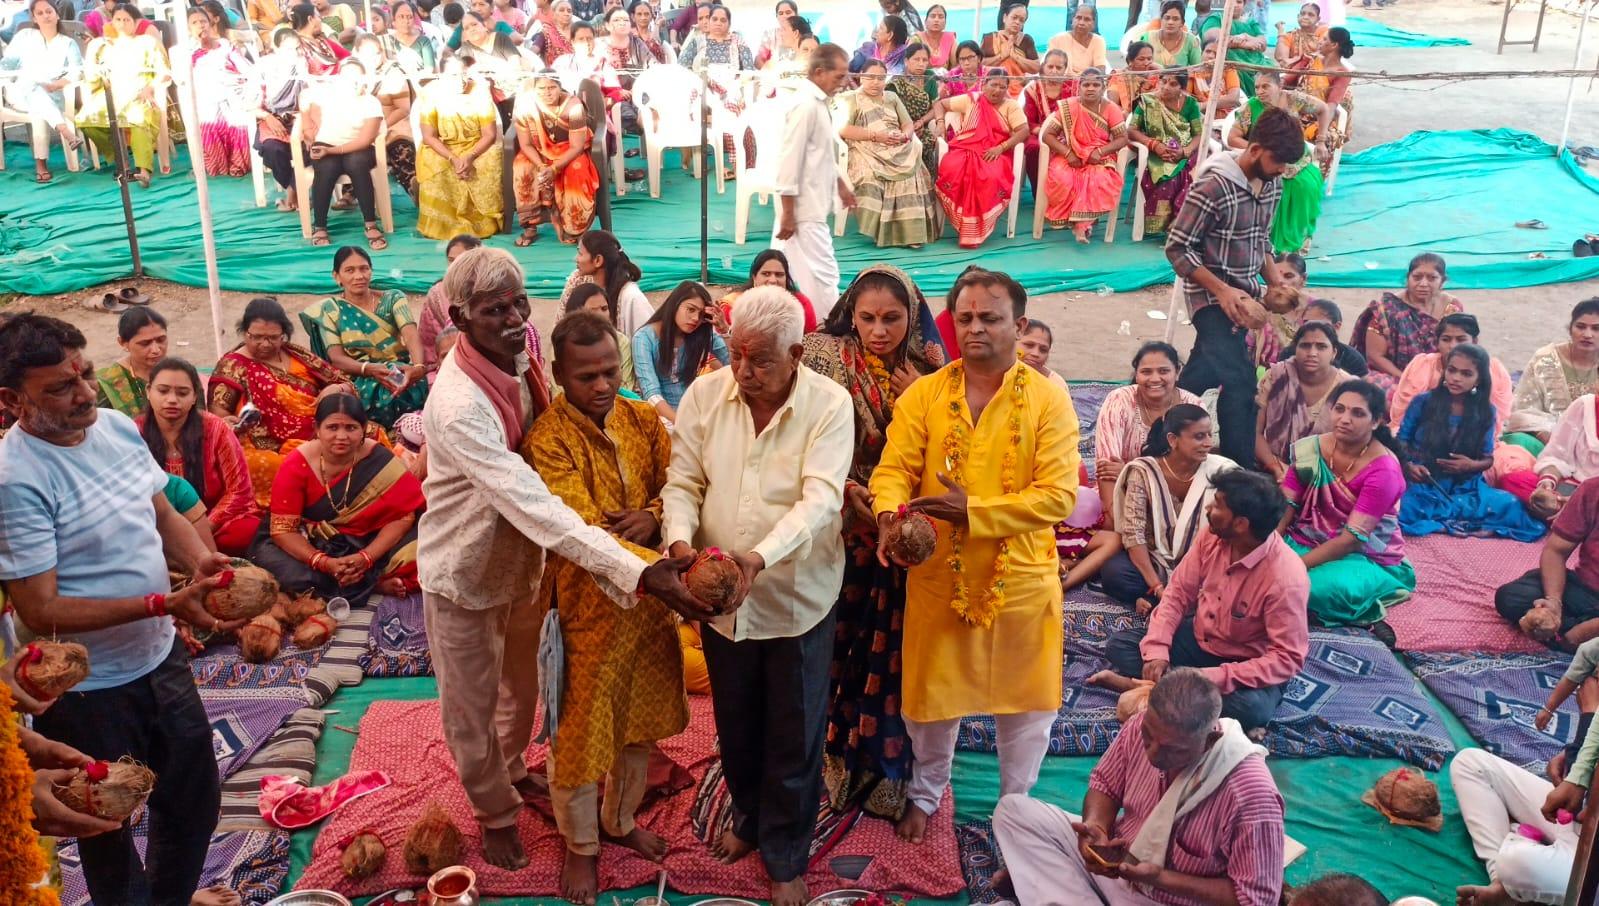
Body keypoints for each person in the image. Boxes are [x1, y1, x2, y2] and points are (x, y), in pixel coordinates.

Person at [420, 247, 710, 871]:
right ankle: (494, 814)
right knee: (470, 708)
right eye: (492, 310)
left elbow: (676, 478)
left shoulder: (523, 359)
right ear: (459, 315)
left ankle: (516, 771)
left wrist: (658, 519)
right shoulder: (457, 404)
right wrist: (641, 570)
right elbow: (543, 506)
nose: (509, 318)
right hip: (466, 571)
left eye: (517, 304)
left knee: (521, 692)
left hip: (531, 570)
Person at [0, 312, 236, 906]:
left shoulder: (114, 427)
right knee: (107, 829)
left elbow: (159, 511)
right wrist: (162, 602)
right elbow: (40, 605)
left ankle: (172, 898)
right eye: (59, 385)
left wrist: (200, 561)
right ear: (11, 399)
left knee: (193, 797)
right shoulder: (15, 479)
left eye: (82, 373)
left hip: (160, 658)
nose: (84, 392)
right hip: (87, 691)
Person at [870, 268, 1080, 844]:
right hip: (941, 574)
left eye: (990, 317)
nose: (975, 329)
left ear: (1021, 324)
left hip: (1021, 580)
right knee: (932, 700)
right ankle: (925, 792)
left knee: (1027, 709)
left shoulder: (1048, 398)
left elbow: (1059, 494)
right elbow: (894, 469)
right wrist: (891, 515)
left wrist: (976, 512)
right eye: (964, 318)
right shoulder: (926, 394)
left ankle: (1015, 805)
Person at [660, 286, 854, 906]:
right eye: (736, 354)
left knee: (795, 732)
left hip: (797, 599)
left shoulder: (829, 405)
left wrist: (756, 559)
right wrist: (683, 546)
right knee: (736, 722)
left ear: (796, 353)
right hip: (720, 605)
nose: (743, 371)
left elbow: (822, 500)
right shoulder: (704, 396)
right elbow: (683, 480)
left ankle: (786, 854)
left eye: (762, 360)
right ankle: (747, 818)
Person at [523, 310, 691, 901]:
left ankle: (620, 823)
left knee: (639, 726)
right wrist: (649, 558)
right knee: (578, 736)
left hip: (649, 609)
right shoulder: (547, 439)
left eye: (609, 372)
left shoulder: (643, 419)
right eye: (586, 375)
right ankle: (580, 847)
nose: (600, 385)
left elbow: (680, 484)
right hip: (585, 613)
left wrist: (655, 513)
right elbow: (577, 527)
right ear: (559, 374)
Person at [801, 265, 946, 821]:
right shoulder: (823, 358)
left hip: (906, 532)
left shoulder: (934, 373)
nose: (879, 330)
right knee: (838, 650)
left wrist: (926, 399)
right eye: (867, 318)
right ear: (850, 315)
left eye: (892, 318)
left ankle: (887, 770)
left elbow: (953, 457)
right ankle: (834, 756)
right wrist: (846, 490)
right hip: (841, 527)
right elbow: (803, 441)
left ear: (913, 316)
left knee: (896, 657)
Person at [991, 669, 1286, 906]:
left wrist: (1160, 878)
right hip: (1118, 871)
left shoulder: (1250, 794)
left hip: (1170, 897)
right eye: (1148, 736)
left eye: (1173, 750)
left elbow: (1256, 898)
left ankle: (1046, 888)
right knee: (1013, 811)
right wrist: (1097, 831)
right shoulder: (1141, 725)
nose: (1153, 753)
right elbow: (1105, 784)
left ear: (1209, 741)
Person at [1098, 469, 1307, 732]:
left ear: (1241, 523)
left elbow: (1286, 658)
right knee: (1121, 645)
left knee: (1252, 710)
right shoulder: (1212, 535)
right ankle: (1177, 688)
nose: (1208, 508)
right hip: (1200, 640)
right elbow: (1177, 594)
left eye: (1217, 505)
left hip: (1245, 664)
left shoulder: (1286, 577)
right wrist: (1158, 650)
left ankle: (1153, 688)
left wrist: (1216, 677)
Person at [1166, 105, 1304, 469]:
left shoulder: (1272, 184)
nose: (1279, 172)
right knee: (1241, 384)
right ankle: (1237, 468)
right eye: (1277, 162)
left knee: (1199, 377)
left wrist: (1275, 281)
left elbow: (1260, 239)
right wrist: (1224, 292)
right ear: (1255, 149)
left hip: (1246, 295)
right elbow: (1177, 248)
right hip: (1209, 298)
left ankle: (1158, 441)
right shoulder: (1213, 186)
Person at [250, 391, 423, 599]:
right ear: (317, 429)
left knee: (424, 546)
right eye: (332, 427)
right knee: (284, 570)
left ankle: (358, 581)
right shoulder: (297, 464)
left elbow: (403, 516)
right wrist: (324, 563)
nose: (341, 436)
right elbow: (283, 531)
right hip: (310, 539)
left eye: (351, 428)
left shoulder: (378, 458)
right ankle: (372, 584)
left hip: (365, 540)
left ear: (364, 430)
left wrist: (366, 557)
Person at [1279, 380, 1415, 629]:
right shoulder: (1313, 449)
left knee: (1311, 588)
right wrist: (1268, 547)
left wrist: (1293, 566)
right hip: (1302, 539)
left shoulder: (1383, 471)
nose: (1344, 418)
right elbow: (1285, 506)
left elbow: (1351, 540)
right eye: (1339, 409)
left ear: (1376, 422)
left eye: (1358, 413)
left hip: (1363, 557)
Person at [208, 298, 358, 506]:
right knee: (270, 465)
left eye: (273, 338)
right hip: (266, 444)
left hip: (321, 427)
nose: (265, 344)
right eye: (257, 337)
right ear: (245, 333)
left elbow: (345, 383)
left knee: (369, 436)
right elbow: (217, 414)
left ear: (283, 335)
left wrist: (336, 388)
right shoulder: (232, 365)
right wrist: (230, 422)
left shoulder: (295, 353)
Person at [1395, 345, 1547, 542]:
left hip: (1465, 486)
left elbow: (1487, 459)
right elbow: (1400, 441)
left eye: (1466, 373)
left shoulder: (1485, 411)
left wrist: (1470, 465)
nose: (1456, 378)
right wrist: (1409, 467)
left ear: (1479, 379)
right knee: (1401, 505)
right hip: (1422, 481)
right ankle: (1455, 520)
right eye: (1452, 370)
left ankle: (1445, 518)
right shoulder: (1423, 402)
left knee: (1509, 504)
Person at [1100, 405, 1239, 611]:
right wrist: (1157, 586)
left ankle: (1161, 601)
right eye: (1199, 437)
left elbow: (1233, 532)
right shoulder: (1143, 472)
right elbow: (1133, 534)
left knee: (1234, 578)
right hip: (1156, 561)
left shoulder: (1223, 471)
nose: (1209, 443)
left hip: (1204, 564)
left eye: (1210, 435)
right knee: (1115, 572)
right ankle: (1161, 597)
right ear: (1173, 440)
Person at [135, 358, 262, 556]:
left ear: (195, 396)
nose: (172, 399)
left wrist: (202, 527)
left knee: (246, 532)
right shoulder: (134, 433)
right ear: (148, 391)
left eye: (182, 393)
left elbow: (239, 490)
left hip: (214, 524)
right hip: (158, 526)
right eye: (163, 391)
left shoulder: (215, 429)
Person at [299, 246, 429, 428]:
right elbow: (336, 358)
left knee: (414, 386)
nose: (359, 276)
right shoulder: (330, 310)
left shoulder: (393, 298)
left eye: (364, 268)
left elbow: (410, 334)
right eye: (349, 270)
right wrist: (370, 369)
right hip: (358, 376)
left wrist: (418, 367)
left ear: (371, 271)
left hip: (398, 371)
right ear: (336, 276)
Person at [772, 43, 854, 316]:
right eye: (839, 76)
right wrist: (787, 213)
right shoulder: (805, 106)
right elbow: (789, 159)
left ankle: (803, 322)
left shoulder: (818, 104)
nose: (844, 83)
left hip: (809, 205)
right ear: (819, 72)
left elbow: (823, 153)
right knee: (824, 274)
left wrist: (841, 186)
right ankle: (830, 327)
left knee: (791, 269)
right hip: (802, 208)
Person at [1452, 744, 1590, 906]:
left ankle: (1516, 887)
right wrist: (1575, 762)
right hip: (1579, 816)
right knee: (1471, 764)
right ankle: (1503, 886)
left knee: (1515, 860)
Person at [1093, 343, 1204, 527]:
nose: (1154, 379)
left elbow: (1190, 473)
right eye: (1146, 372)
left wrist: (1132, 473)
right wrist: (1116, 517)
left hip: (1174, 496)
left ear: (1177, 372)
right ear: (1136, 374)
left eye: (1163, 371)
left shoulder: (1193, 406)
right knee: (1105, 524)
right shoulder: (1119, 400)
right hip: (1122, 492)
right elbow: (1106, 468)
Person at [837, 61, 940, 249]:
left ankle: (910, 234)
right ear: (861, 76)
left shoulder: (891, 96)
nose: (875, 82)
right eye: (870, 77)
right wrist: (876, 136)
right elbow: (843, 129)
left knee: (914, 172)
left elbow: (907, 124)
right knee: (871, 177)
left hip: (896, 145)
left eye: (880, 78)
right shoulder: (851, 98)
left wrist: (905, 135)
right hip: (864, 147)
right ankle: (884, 231)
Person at [1229, 71, 1327, 255]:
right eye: (1257, 87)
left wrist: (1321, 140)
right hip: (1270, 164)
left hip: (1298, 161)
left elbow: (1323, 109)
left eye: (1265, 86)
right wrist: (1264, 150)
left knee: (1307, 186)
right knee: (1272, 192)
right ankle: (1269, 248)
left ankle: (1296, 246)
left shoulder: (1294, 100)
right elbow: (1232, 138)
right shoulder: (1251, 107)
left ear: (1279, 86)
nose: (1260, 91)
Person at [77, 3, 170, 188]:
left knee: (138, 116)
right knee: (85, 118)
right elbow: (92, 78)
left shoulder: (147, 42)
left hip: (139, 92)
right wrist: (93, 54)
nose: (121, 23)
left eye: (126, 20)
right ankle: (122, 162)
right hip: (112, 94)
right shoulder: (103, 46)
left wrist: (150, 88)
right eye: (118, 19)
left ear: (136, 23)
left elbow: (164, 72)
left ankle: (143, 171)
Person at [932, 69, 1027, 249]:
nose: (997, 90)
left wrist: (1001, 148)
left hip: (995, 152)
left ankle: (974, 230)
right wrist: (940, 122)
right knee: (953, 171)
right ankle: (965, 227)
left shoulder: (1011, 106)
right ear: (984, 85)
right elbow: (940, 104)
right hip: (965, 148)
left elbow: (1023, 131)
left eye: (1002, 87)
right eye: (994, 85)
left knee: (990, 178)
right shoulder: (972, 99)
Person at [300, 59, 387, 249]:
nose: (352, 80)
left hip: (359, 147)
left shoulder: (371, 102)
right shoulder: (327, 95)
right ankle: (320, 225)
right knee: (327, 167)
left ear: (364, 79)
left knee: (356, 163)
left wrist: (332, 150)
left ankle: (370, 224)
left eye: (357, 76)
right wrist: (307, 128)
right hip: (326, 145)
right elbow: (304, 98)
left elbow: (365, 140)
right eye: (347, 76)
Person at [415, 54, 505, 239]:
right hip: (443, 147)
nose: (460, 80)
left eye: (463, 74)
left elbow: (489, 134)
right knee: (433, 161)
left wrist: (470, 157)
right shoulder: (431, 93)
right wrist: (453, 159)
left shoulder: (480, 91)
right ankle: (444, 225)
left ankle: (483, 223)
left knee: (490, 159)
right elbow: (429, 136)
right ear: (441, 75)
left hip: (476, 145)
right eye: (453, 75)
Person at [1353, 252, 1464, 396]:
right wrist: (1407, 378)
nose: (1423, 284)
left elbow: (1460, 345)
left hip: (1441, 373)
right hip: (1397, 374)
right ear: (1407, 279)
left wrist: (1440, 376)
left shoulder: (1452, 307)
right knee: (1377, 388)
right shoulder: (1386, 310)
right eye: (1417, 277)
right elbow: (1374, 356)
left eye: (1432, 278)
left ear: (1442, 281)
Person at [1038, 67, 1128, 243]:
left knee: (1098, 179)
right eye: (1086, 84)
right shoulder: (1069, 106)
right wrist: (1068, 153)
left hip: (1099, 156)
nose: (1091, 88)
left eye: (1096, 84)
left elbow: (1122, 139)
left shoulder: (1111, 109)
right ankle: (1076, 223)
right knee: (1062, 177)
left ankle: (1081, 226)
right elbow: (1047, 135)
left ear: (1103, 87)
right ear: (1079, 88)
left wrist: (1100, 151)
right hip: (1070, 154)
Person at [1256, 321, 1353, 481]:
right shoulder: (1277, 376)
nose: (1312, 353)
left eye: (1321, 347)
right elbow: (1255, 431)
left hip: (1328, 476)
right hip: (1274, 469)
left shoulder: (1349, 387)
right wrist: (1276, 468)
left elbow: (1353, 445)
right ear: (1295, 348)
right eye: (1305, 346)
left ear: (1334, 352)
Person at [1, 0, 84, 183]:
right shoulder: (25, 36)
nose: (45, 16)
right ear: (34, 18)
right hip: (20, 92)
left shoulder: (68, 43)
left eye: (49, 11)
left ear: (57, 14)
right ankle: (66, 132)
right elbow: (6, 65)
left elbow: (78, 71)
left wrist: (57, 84)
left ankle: (41, 165)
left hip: (54, 94)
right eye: (40, 13)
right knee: (33, 85)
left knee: (38, 106)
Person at [1389, 313, 1515, 434]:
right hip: (1424, 436)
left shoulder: (1493, 370)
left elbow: (1497, 419)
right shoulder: (1423, 366)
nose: (1453, 346)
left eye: (1461, 339)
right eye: (1446, 339)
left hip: (1473, 438)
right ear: (1437, 342)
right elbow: (1403, 415)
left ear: (1475, 341)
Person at [512, 73, 599, 246]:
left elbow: (577, 146)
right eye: (541, 88)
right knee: (522, 166)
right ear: (534, 89)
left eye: (552, 87)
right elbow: (526, 144)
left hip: (569, 150)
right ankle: (531, 225)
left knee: (576, 170)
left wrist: (554, 169)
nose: (547, 93)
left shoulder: (573, 106)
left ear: (560, 88)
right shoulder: (525, 106)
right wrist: (542, 165)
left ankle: (575, 228)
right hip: (539, 151)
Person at [1506, 298, 1599, 453]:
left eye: (1596, 329)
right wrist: (1551, 438)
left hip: (1594, 445)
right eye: (1580, 327)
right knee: (1517, 443)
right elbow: (1522, 411)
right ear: (1570, 329)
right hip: (1548, 440)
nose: (1587, 334)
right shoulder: (1546, 359)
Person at [632, 281, 730, 423]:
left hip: (696, 411)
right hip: (661, 419)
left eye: (701, 314)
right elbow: (651, 393)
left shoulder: (700, 333)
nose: (696, 318)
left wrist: (725, 330)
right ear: (675, 305)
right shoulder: (644, 338)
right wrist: (681, 424)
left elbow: (734, 366)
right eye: (691, 310)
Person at [186, 5, 258, 178]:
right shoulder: (188, 51)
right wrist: (196, 45)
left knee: (238, 121)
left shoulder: (225, 45)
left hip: (232, 93)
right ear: (188, 29)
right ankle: (217, 164)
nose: (200, 25)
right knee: (210, 121)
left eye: (203, 21)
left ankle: (238, 164)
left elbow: (246, 69)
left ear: (210, 23)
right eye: (194, 23)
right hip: (206, 98)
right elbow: (183, 78)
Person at [1128, 71, 1203, 235]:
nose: (1166, 87)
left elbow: (1198, 134)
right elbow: (1132, 131)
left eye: (1173, 84)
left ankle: (1180, 222)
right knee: (1167, 176)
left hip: (1186, 149)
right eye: (1163, 81)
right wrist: (1154, 145)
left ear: (1182, 89)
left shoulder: (1190, 104)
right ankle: (1171, 224)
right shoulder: (1147, 101)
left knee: (1193, 173)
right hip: (1156, 152)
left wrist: (1185, 151)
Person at [1504, 395, 1599, 522]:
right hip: (1574, 487)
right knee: (1514, 481)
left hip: (1593, 500)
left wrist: (1585, 504)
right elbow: (1556, 456)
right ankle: (1571, 519)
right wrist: (1546, 484)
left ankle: (1572, 520)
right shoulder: (1584, 406)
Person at [418, 234, 483, 378]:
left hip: (485, 363)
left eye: (461, 260)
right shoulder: (438, 293)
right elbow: (428, 341)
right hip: (447, 363)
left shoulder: (490, 290)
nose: (454, 267)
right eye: (451, 260)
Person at [574, 229, 657, 339]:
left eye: (580, 253)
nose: (575, 258)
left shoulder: (632, 297)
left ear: (598, 260)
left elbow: (651, 341)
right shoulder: (576, 282)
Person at [718, 250, 818, 334]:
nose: (773, 280)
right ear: (754, 277)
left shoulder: (800, 303)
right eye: (766, 274)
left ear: (786, 278)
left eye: (779, 274)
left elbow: (811, 343)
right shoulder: (733, 305)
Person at [96, 306, 169, 416]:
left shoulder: (179, 373)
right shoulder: (107, 384)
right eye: (145, 343)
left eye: (161, 340)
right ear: (123, 343)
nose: (156, 350)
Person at [1021, 49, 1071, 192]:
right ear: (1043, 67)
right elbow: (1029, 122)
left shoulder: (1074, 87)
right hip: (1040, 133)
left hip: (1069, 133)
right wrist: (1048, 134)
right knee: (1032, 147)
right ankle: (1040, 193)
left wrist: (1063, 136)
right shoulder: (1032, 89)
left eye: (1059, 67)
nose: (1054, 71)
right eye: (1050, 67)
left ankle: (1067, 193)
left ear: (1065, 69)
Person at [888, 42, 942, 176]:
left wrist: (923, 121)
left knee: (930, 141)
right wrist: (907, 128)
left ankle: (927, 183)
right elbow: (890, 111)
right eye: (916, 59)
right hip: (900, 127)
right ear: (906, 61)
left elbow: (936, 106)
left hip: (920, 126)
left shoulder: (929, 77)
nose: (921, 64)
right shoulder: (896, 82)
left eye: (924, 60)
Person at [1197, 0, 1269, 94]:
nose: (1235, 5)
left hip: (1258, 64)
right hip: (1234, 65)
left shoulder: (1251, 22)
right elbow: (1215, 38)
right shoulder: (1217, 18)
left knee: (1270, 76)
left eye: (1239, 2)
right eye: (1231, 1)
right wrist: (1246, 44)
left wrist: (1246, 36)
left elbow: (1263, 43)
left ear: (1244, 4)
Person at [981, 3, 1037, 98]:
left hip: (1018, 92)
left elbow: (1036, 67)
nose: (1017, 22)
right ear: (1004, 17)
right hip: (992, 89)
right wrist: (1002, 56)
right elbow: (979, 64)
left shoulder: (1026, 40)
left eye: (1021, 20)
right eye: (1014, 17)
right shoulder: (989, 38)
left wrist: (1015, 56)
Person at [678, 3, 752, 68]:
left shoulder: (738, 41)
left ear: (729, 24)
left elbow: (749, 69)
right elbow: (681, 67)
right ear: (710, 21)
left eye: (723, 20)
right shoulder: (697, 41)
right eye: (714, 19)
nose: (718, 23)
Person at [381, 0, 442, 73]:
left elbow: (429, 69)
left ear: (414, 20)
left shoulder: (424, 41)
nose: (406, 21)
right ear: (393, 21)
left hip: (421, 81)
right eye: (401, 17)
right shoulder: (386, 41)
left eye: (409, 17)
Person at [288, 3, 349, 75]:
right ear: (310, 19)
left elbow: (348, 57)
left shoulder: (323, 42)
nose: (321, 20)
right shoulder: (295, 46)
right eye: (318, 17)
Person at [1047, 5, 1107, 78]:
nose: (1081, 22)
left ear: (1093, 24)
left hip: (1087, 84)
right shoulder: (1057, 39)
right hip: (1061, 83)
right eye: (1078, 18)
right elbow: (1048, 69)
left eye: (1087, 19)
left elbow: (1100, 70)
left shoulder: (1098, 41)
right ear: (1072, 20)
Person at [1191, 36, 1243, 114]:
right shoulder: (1192, 73)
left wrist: (1203, 106)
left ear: (1224, 57)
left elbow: (1233, 98)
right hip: (1202, 117)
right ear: (1201, 53)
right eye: (1208, 51)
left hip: (1228, 118)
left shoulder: (1229, 70)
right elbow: (1187, 101)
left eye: (1216, 53)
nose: (1211, 56)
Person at [1143, 0, 1201, 69]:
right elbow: (1139, 65)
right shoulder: (1148, 38)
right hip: (1151, 79)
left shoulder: (1191, 41)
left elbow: (1198, 70)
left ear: (1182, 22)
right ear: (1161, 20)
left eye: (1175, 19)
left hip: (1181, 79)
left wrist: (1163, 70)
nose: (1170, 22)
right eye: (1167, 18)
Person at [1275, 3, 1326, 78]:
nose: (1305, 17)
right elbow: (1282, 60)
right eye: (1302, 14)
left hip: (1318, 75)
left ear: (1318, 19)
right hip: (1293, 75)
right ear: (1298, 16)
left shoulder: (1323, 31)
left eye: (1311, 15)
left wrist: (1298, 60)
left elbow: (1322, 55)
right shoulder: (1290, 35)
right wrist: (1281, 32)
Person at [1017, 318, 1067, 390]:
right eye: (1029, 345)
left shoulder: (1056, 385)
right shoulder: (997, 376)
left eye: (1043, 350)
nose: (1036, 354)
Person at [1106, 40, 1156, 109]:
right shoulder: (1118, 76)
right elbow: (1112, 105)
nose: (1146, 63)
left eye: (1149, 59)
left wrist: (1161, 70)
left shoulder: (1157, 76)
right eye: (1141, 59)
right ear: (1130, 61)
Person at [528, 0, 574, 66]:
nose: (566, 13)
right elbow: (533, 51)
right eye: (561, 10)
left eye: (569, 11)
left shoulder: (577, 32)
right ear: (554, 14)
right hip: (554, 73)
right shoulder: (546, 33)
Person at [913, 2, 954, 69]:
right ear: (925, 22)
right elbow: (909, 65)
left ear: (945, 23)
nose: (936, 20)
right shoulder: (917, 38)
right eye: (933, 16)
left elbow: (956, 66)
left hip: (945, 78)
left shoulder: (950, 38)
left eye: (941, 17)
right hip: (920, 78)